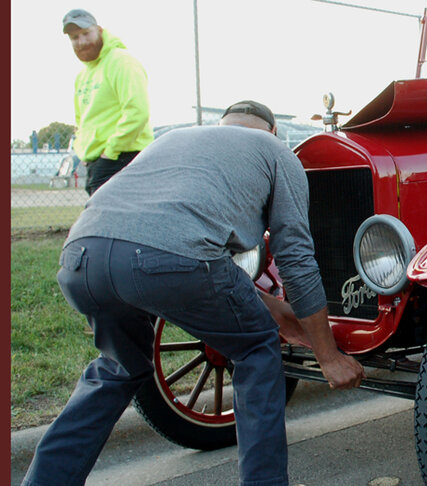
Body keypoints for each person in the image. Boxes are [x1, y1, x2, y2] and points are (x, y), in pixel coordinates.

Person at [21, 100, 366, 486]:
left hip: (81, 256)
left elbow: (208, 260)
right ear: (272, 132)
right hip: (169, 259)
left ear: (222, 126)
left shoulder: (175, 140)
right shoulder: (275, 152)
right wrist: (328, 356)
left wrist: (269, 308)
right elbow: (296, 259)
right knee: (255, 349)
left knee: (119, 366)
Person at [63, 9, 154, 195]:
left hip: (123, 157)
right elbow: (81, 120)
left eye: (86, 34)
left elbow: (138, 112)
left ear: (99, 30)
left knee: (118, 221)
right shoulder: (82, 76)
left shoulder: (122, 62)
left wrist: (110, 153)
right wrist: (84, 153)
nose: (81, 42)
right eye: (74, 37)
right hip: (98, 161)